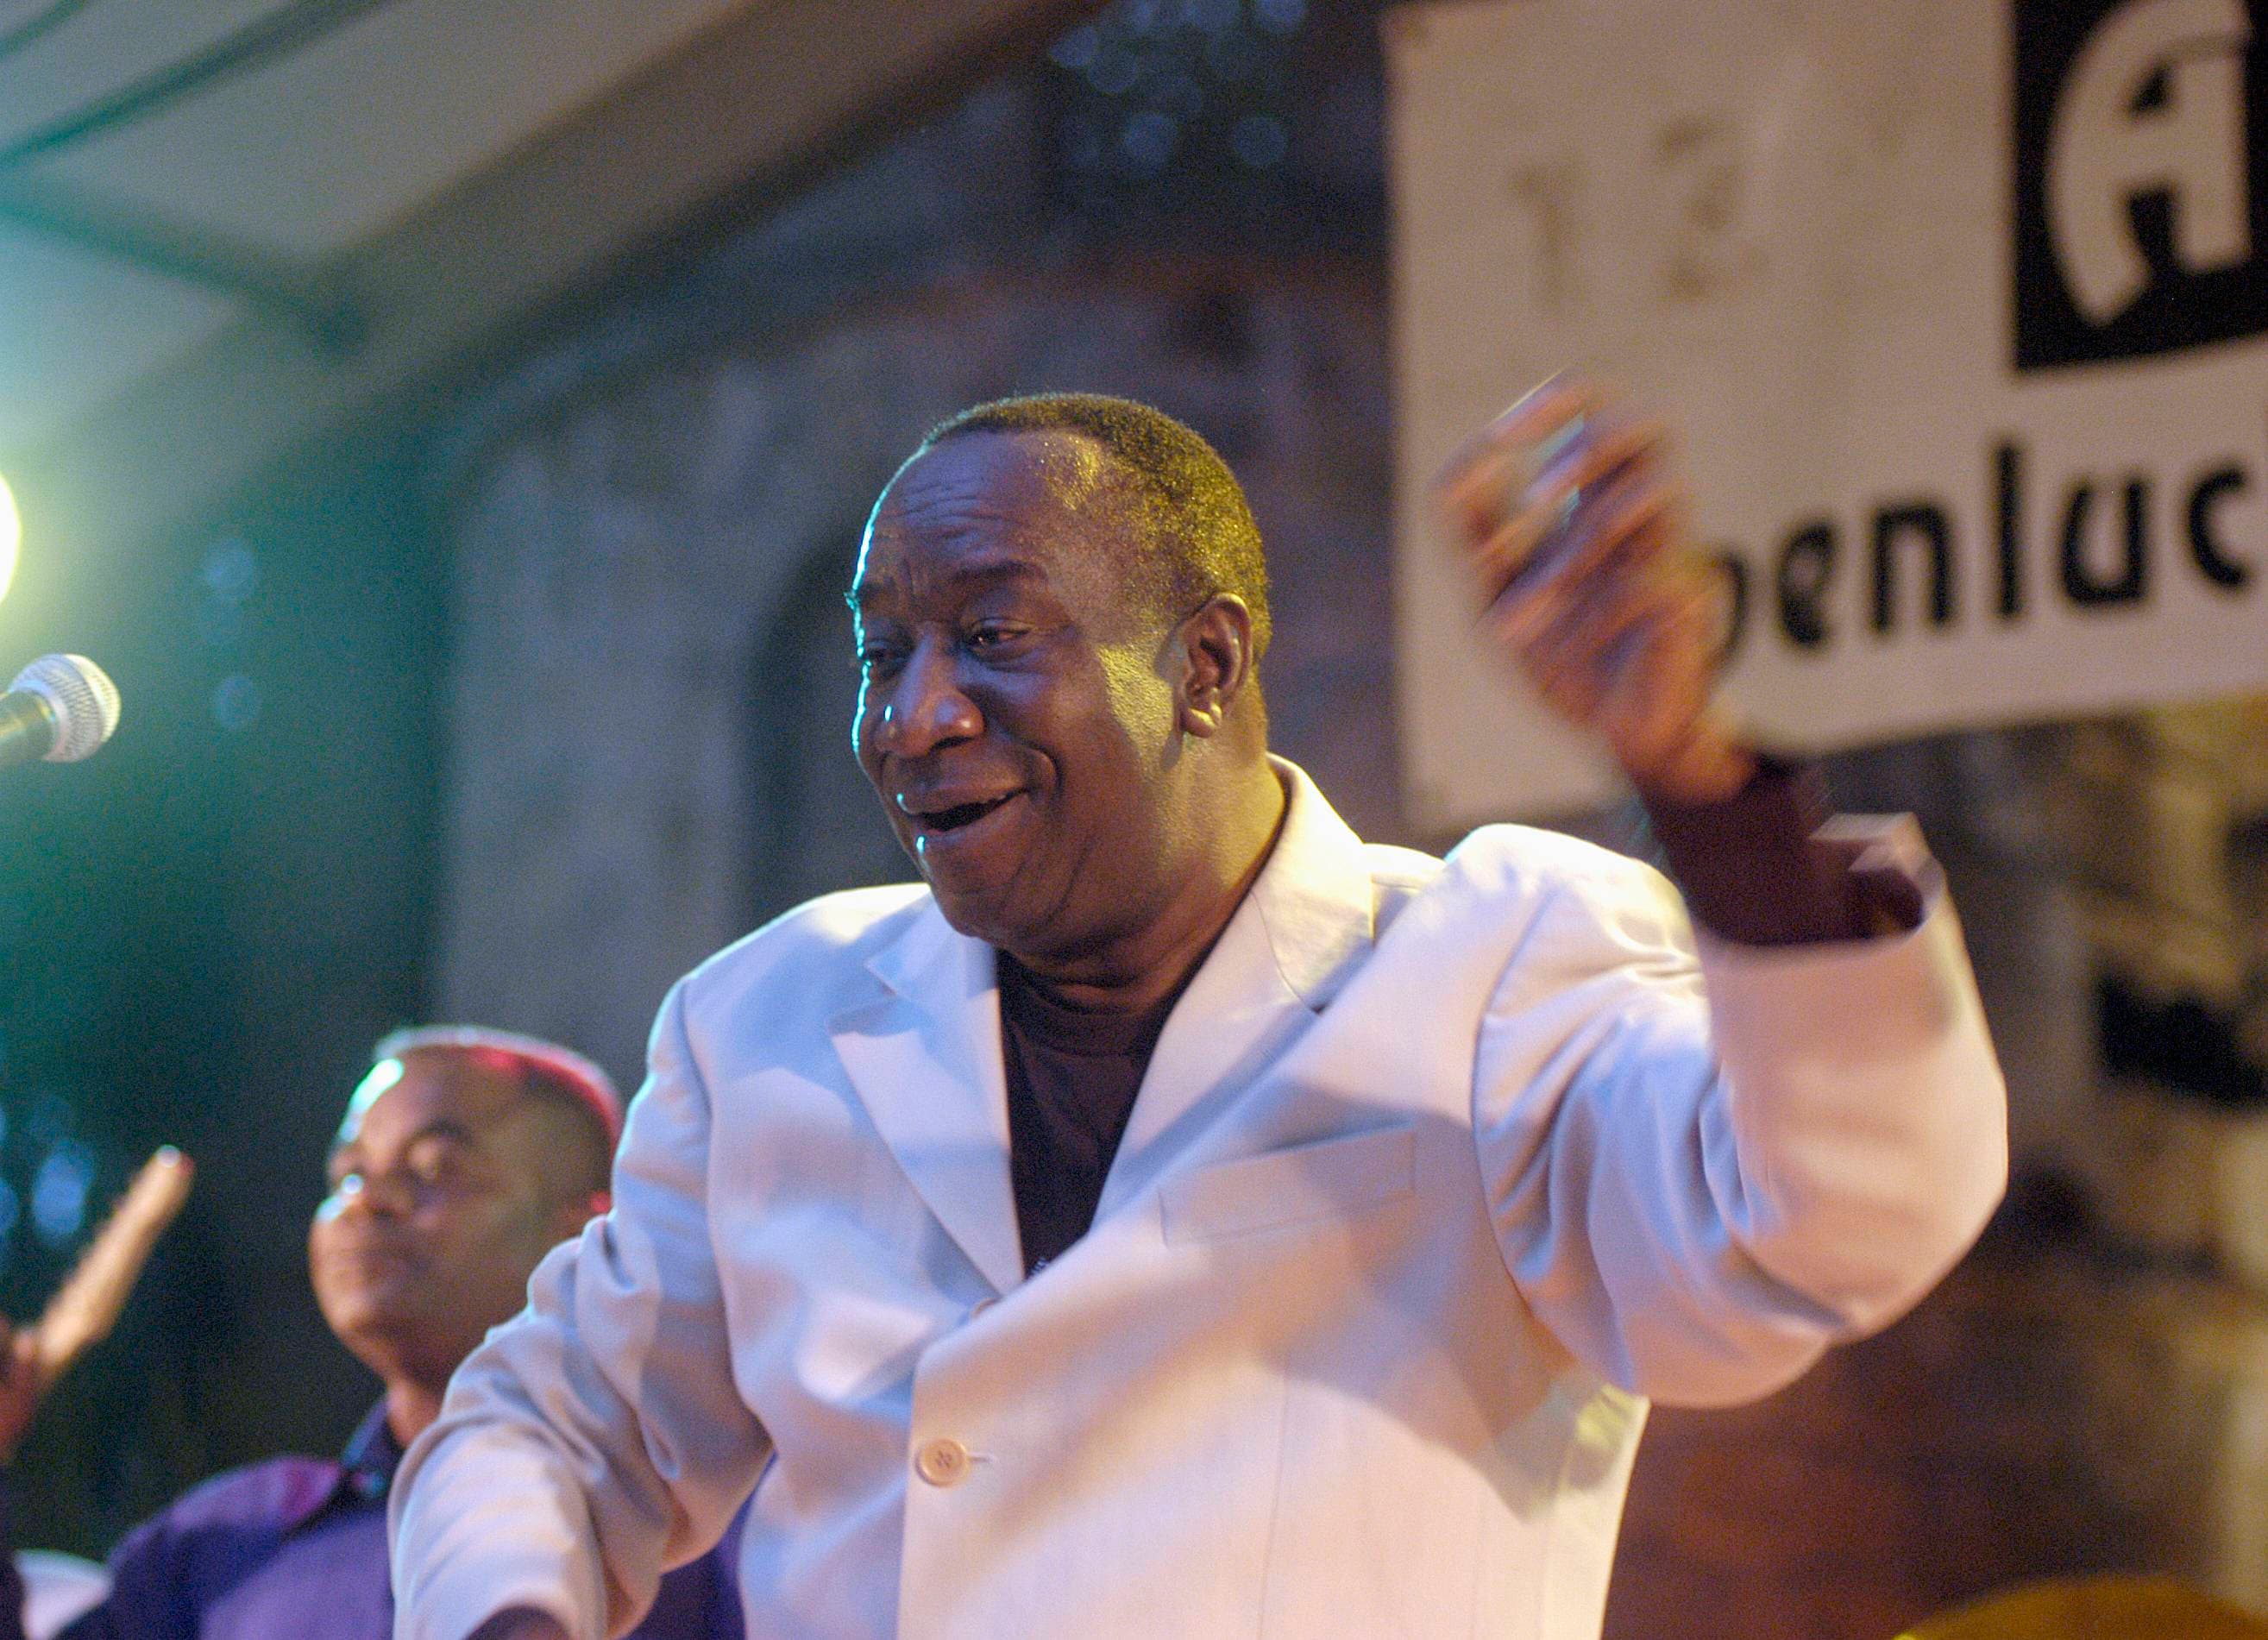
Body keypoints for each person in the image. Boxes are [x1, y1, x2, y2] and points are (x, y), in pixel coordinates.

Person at [392, 384, 2007, 1640]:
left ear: (1207, 665)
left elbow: (1823, 1224)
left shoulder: (1495, 959)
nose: (913, 716)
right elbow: (546, 1421)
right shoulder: (770, 1022)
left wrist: (1698, 786)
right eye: (882, 653)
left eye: (993, 635)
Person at [0, 1027, 744, 1640]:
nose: (370, 1202)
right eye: (349, 1175)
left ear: (589, 1227)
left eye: (433, 1168)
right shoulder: (212, 1543)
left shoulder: (693, 1526)